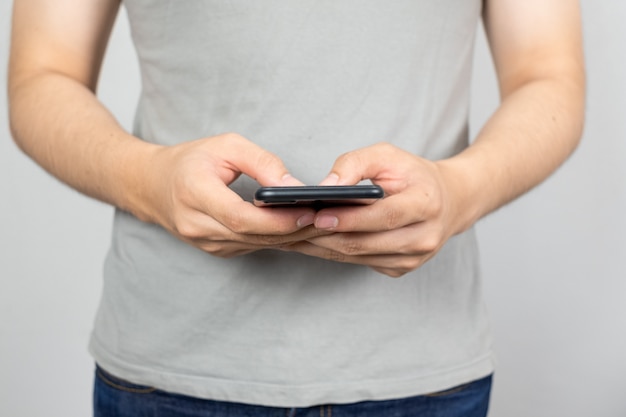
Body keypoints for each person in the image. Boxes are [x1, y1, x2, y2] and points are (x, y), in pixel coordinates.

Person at [7, 0, 585, 416]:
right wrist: (148, 181)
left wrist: (460, 191)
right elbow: (42, 75)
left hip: (423, 372)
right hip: (170, 369)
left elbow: (547, 75)